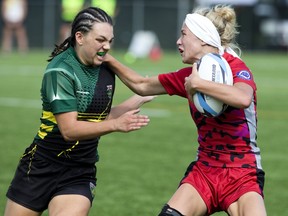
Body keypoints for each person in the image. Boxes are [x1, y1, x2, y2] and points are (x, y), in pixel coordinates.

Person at [104, 4, 267, 216]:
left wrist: (199, 85)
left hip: (243, 174)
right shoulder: (189, 75)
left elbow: (242, 98)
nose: (178, 42)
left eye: (184, 35)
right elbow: (141, 84)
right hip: (205, 171)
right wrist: (106, 58)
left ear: (201, 38)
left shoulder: (235, 68)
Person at [4, 7, 153, 216]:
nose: (107, 47)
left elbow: (98, 119)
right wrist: (116, 126)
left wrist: (138, 99)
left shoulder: (105, 68)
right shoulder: (60, 71)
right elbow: (69, 129)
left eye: (110, 40)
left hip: (80, 171)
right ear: (80, 37)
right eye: (100, 39)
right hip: (40, 167)